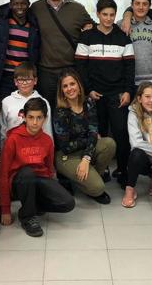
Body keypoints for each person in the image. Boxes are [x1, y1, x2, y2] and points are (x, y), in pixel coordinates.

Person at [75, 0, 135, 187]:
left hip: (117, 95)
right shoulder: (87, 37)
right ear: (98, 14)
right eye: (104, 15)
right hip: (95, 95)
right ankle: (99, 170)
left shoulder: (123, 37)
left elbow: (129, 67)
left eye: (112, 15)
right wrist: (88, 90)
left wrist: (128, 91)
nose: (108, 19)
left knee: (121, 133)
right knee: (96, 134)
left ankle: (123, 170)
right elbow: (80, 66)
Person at [0, 98, 75, 237]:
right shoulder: (13, 139)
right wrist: (5, 209)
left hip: (39, 180)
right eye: (31, 117)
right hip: (19, 182)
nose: (34, 122)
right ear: (24, 117)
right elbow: (3, 173)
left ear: (45, 119)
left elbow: (49, 169)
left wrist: (51, 190)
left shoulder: (47, 140)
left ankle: (33, 205)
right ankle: (27, 217)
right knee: (28, 173)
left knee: (68, 203)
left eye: (39, 118)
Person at [53, 69, 115, 204]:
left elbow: (94, 130)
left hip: (85, 151)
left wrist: (86, 159)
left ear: (79, 86)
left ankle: (90, 175)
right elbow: (66, 146)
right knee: (98, 188)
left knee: (109, 144)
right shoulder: (60, 112)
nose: (70, 88)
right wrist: (90, 139)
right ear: (62, 91)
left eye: (72, 84)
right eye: (65, 86)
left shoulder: (89, 102)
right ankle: (85, 180)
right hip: (67, 156)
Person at [123, 82, 152, 208]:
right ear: (139, 98)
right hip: (144, 159)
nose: (151, 100)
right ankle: (130, 189)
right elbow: (136, 143)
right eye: (147, 97)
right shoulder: (133, 113)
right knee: (136, 153)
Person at [0, 0, 40, 98]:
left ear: (29, 4)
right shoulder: (1, 21)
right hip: (4, 76)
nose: (20, 7)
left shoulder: (34, 24)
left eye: (23, 4)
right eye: (16, 4)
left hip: (25, 77)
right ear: (10, 5)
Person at [0, 61, 53, 142]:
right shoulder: (6, 102)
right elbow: (2, 129)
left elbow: (47, 129)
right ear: (15, 81)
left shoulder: (43, 102)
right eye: (20, 79)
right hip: (12, 146)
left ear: (35, 80)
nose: (24, 83)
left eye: (28, 79)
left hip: (36, 147)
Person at [116, 0, 152, 85]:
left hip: (150, 79)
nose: (141, 7)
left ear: (150, 6)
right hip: (127, 79)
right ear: (131, 5)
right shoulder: (121, 25)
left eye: (145, 4)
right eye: (137, 3)